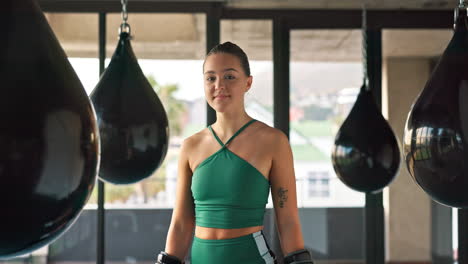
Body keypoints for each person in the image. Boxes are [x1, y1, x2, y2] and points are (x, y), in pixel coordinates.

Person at [156, 42, 314, 264]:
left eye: (229, 77)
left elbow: (287, 220)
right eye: (211, 78)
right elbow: (182, 222)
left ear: (248, 82)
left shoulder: (273, 141)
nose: (219, 85)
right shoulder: (190, 146)